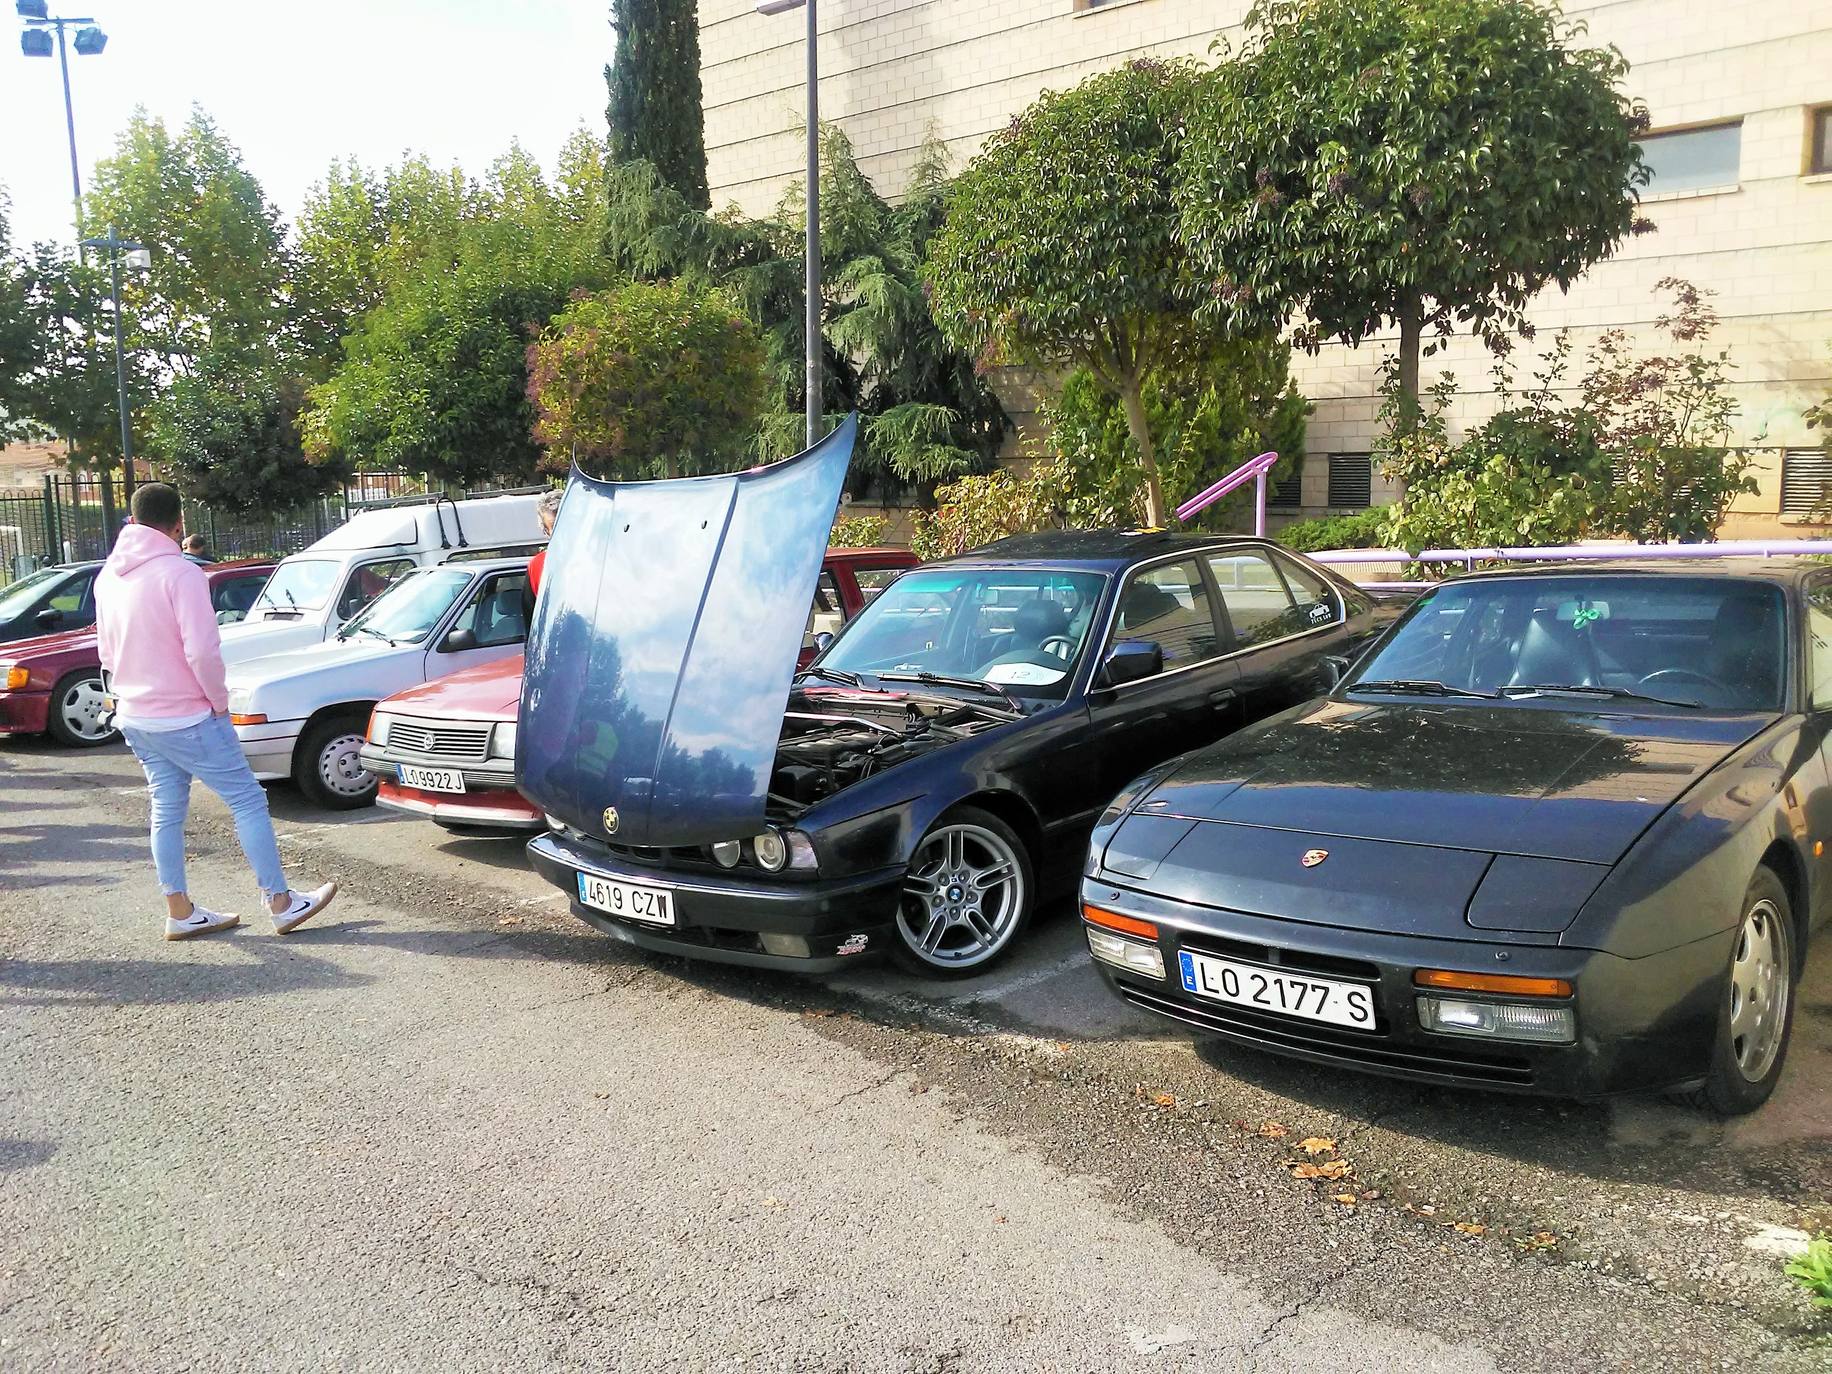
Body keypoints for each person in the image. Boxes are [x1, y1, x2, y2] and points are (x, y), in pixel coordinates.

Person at [97, 483, 339, 941]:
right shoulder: (180, 573)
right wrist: (218, 703)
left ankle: (180, 909)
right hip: (187, 714)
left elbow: (106, 651)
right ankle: (281, 902)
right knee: (246, 799)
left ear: (132, 520)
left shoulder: (110, 575)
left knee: (166, 807)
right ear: (179, 523)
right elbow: (203, 652)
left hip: (135, 713)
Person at [522, 486, 563, 621]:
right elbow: (531, 624)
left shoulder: (598, 558)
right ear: (546, 531)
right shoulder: (537, 567)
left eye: (565, 524)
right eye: (554, 526)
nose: (563, 531)